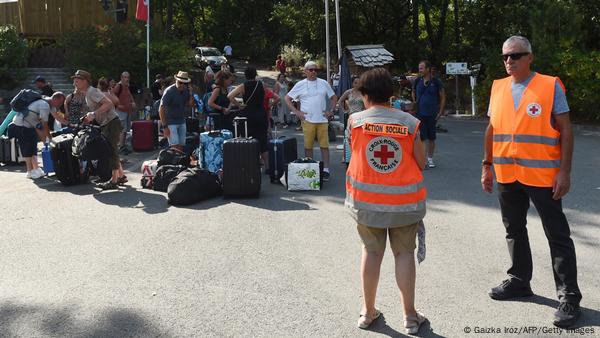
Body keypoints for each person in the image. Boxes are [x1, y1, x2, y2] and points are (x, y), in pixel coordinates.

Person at [482, 35, 582, 328]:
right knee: (513, 229)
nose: (509, 61)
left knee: (557, 235)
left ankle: (569, 297)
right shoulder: (498, 86)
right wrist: (487, 165)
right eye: (505, 57)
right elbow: (491, 128)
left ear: (530, 57)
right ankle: (519, 280)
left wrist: (565, 171)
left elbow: (565, 129)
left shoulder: (550, 85)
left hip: (542, 175)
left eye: (516, 55)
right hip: (507, 173)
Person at [345, 68, 427, 334]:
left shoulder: (355, 121)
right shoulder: (410, 123)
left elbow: (355, 152)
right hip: (404, 204)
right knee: (404, 254)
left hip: (367, 202)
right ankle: (410, 317)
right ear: (392, 95)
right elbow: (422, 162)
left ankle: (368, 312)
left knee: (371, 253)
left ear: (365, 95)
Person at [285, 61, 337, 181]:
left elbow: (334, 97)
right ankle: (310, 169)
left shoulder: (323, 83)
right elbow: (287, 98)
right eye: (311, 69)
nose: (314, 72)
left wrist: (331, 111)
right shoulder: (300, 84)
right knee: (308, 146)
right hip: (307, 120)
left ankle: (326, 170)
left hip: (322, 120)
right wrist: (296, 112)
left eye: (315, 70)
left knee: (324, 146)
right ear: (305, 71)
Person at [74, 70, 126, 190]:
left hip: (111, 123)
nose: (74, 82)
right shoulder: (87, 92)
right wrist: (90, 117)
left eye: (77, 80)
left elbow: (108, 103)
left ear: (85, 81)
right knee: (112, 150)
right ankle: (121, 176)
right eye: (74, 80)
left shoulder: (91, 91)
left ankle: (114, 180)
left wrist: (94, 113)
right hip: (108, 123)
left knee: (111, 151)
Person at [10, 92, 65, 179]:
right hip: (21, 125)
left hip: (30, 125)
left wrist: (69, 124)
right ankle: (29, 171)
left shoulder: (49, 104)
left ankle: (36, 169)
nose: (61, 104)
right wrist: (49, 140)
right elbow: (44, 125)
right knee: (27, 149)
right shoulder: (44, 105)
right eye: (60, 102)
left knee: (33, 147)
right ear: (55, 99)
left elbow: (57, 117)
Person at [227, 67, 269, 171]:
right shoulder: (261, 85)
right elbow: (264, 96)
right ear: (255, 75)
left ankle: (252, 166)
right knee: (263, 140)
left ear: (245, 75)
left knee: (249, 140)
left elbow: (230, 96)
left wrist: (239, 105)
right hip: (261, 114)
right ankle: (268, 167)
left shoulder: (243, 86)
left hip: (248, 115)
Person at [412, 60, 445, 168]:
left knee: (432, 137)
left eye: (421, 68)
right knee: (421, 138)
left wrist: (440, 111)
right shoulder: (417, 81)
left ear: (428, 69)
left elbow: (442, 96)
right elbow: (413, 91)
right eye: (419, 68)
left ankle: (430, 158)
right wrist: (415, 102)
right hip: (420, 114)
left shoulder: (436, 82)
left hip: (432, 114)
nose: (419, 70)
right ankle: (423, 159)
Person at [159, 71, 194, 152]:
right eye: (180, 82)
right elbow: (161, 109)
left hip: (181, 121)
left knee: (181, 146)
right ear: (176, 81)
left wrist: (191, 93)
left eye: (184, 83)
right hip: (171, 122)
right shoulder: (169, 91)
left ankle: (178, 163)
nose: (182, 85)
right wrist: (164, 126)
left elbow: (190, 105)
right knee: (174, 146)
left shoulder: (186, 91)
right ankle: (174, 162)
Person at [338, 76, 365, 164]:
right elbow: (340, 100)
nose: (357, 84)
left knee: (360, 136)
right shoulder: (349, 92)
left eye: (359, 82)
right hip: (351, 116)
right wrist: (344, 110)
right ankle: (345, 155)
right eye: (355, 82)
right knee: (348, 136)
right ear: (353, 83)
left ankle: (358, 155)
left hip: (361, 117)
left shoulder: (364, 93)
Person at [112, 71, 136, 154]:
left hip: (127, 110)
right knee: (122, 129)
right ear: (121, 78)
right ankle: (120, 147)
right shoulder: (119, 86)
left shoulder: (126, 86)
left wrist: (133, 102)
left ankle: (123, 145)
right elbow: (112, 96)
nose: (127, 79)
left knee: (125, 130)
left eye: (128, 77)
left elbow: (129, 95)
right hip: (120, 111)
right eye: (125, 77)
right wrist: (118, 105)